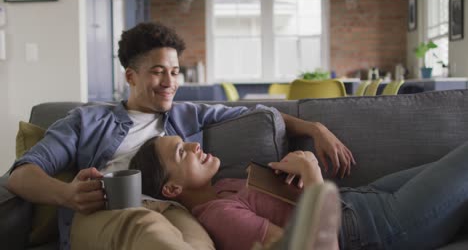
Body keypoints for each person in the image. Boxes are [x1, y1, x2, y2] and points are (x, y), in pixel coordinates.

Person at [6, 21, 355, 250]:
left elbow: (259, 113)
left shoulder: (187, 114)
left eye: (174, 72)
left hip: (175, 211)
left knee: (198, 243)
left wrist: (315, 128)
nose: (170, 82)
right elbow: (21, 174)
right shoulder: (87, 120)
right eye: (158, 72)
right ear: (130, 77)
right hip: (106, 213)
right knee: (144, 223)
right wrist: (67, 195)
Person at [130, 135, 468, 250]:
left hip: (361, 199)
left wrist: (297, 186)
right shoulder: (219, 217)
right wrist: (313, 174)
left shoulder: (221, 189)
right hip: (373, 228)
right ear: (172, 188)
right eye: (180, 153)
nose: (193, 144)